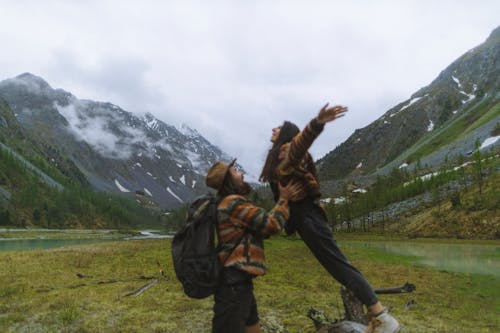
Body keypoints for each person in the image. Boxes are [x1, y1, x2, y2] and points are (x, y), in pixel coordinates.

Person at [259, 103, 400, 333]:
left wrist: (317, 123)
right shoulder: (280, 156)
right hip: (307, 218)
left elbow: (298, 145)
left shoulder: (287, 150)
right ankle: (378, 317)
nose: (273, 130)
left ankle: (382, 317)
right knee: (337, 266)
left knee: (339, 266)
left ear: (286, 134)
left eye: (278, 127)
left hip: (308, 217)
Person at [205, 158, 301, 333]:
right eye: (235, 171)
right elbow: (271, 225)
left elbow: (260, 229)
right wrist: (284, 199)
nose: (241, 173)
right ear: (227, 180)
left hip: (239, 283)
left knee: (253, 328)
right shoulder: (232, 202)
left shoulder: (228, 202)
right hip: (233, 283)